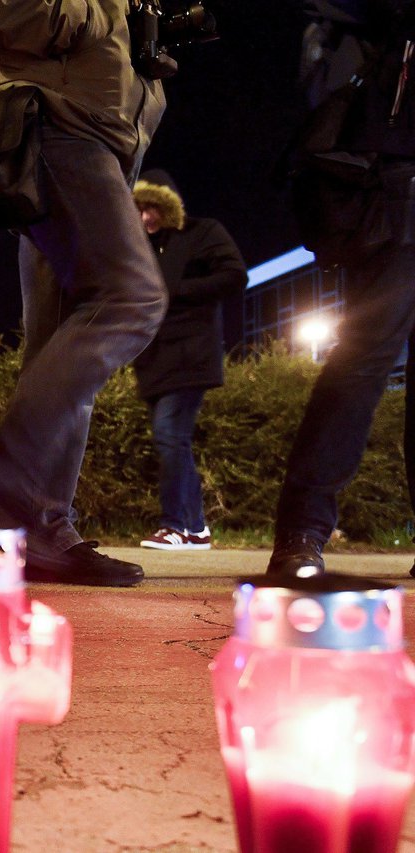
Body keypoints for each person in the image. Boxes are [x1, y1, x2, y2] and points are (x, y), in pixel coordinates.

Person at [0, 0, 168, 585]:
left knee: (62, 339)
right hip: (57, 118)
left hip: (97, 128)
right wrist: (88, 15)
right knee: (131, 299)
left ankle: (39, 527)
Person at [268, 0, 415, 576]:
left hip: (396, 177)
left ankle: (302, 531)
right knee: (362, 361)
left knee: (362, 361)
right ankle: (302, 531)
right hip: (397, 183)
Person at [131, 170, 247, 551]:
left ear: (169, 206)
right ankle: (196, 528)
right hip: (154, 361)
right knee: (174, 439)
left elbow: (234, 275)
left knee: (170, 434)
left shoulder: (202, 232)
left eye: (153, 208)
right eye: (139, 208)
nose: (146, 216)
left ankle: (177, 525)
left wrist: (174, 292)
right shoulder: (139, 247)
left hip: (191, 354)